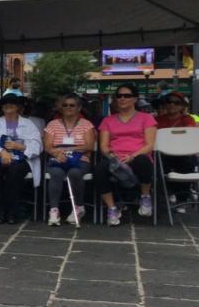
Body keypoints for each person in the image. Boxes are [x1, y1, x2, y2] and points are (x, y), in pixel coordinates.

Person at [94, 84, 157, 226]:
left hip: (138, 157)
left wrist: (132, 156)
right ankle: (112, 208)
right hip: (115, 159)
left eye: (127, 96)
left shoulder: (146, 118)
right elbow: (103, 146)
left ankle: (145, 196)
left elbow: (149, 145)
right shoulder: (108, 120)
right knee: (99, 168)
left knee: (143, 160)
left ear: (135, 99)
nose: (122, 98)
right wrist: (111, 156)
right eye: (119, 96)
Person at [0, 94, 42, 224]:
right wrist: (1, 152)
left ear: (17, 107)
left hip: (22, 159)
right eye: (5, 104)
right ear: (2, 108)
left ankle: (12, 212)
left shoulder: (28, 123)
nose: (8, 106)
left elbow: (37, 145)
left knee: (15, 170)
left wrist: (22, 147)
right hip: (1, 157)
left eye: (12, 104)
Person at [43, 93, 95, 226]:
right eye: (65, 105)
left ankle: (78, 206)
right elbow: (48, 146)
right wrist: (56, 153)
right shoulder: (52, 124)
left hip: (80, 159)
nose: (68, 107)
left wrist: (68, 150)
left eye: (72, 105)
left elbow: (89, 146)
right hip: (58, 158)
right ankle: (54, 210)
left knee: (74, 173)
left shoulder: (86, 124)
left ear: (79, 108)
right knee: (56, 173)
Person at [154, 91, 196, 208]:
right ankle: (166, 195)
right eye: (169, 102)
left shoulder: (188, 119)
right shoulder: (157, 120)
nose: (172, 104)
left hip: (183, 154)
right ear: (165, 104)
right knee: (157, 166)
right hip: (162, 154)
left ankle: (182, 199)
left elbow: (190, 136)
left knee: (187, 164)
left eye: (177, 103)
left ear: (182, 106)